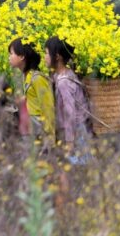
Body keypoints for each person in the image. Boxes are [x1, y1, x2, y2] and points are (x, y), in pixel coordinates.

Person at [44, 36, 93, 164]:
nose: (44, 57)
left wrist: (70, 142)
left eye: (46, 53)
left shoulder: (63, 82)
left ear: (57, 56)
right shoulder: (64, 74)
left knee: (78, 167)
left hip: (76, 131)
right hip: (80, 128)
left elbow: (69, 113)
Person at [8, 38, 55, 143]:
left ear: (22, 57)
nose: (9, 57)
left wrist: (50, 139)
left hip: (40, 135)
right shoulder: (26, 76)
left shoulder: (37, 79)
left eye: (11, 54)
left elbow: (48, 109)